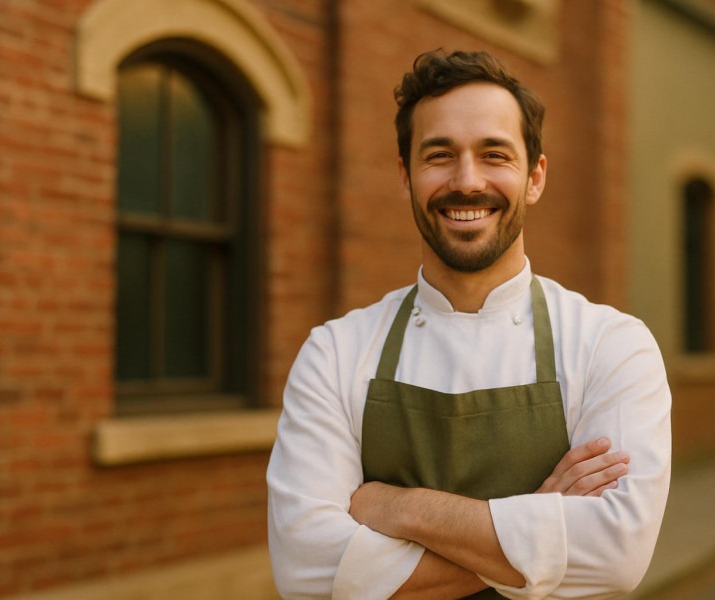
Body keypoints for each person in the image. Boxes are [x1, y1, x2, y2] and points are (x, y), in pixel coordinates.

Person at [267, 49, 671, 599]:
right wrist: (541, 526)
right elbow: (305, 572)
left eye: (494, 154)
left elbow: (616, 555)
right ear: (406, 177)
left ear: (535, 176)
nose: (467, 180)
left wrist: (397, 506)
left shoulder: (611, 345)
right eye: (439, 155)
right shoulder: (334, 351)